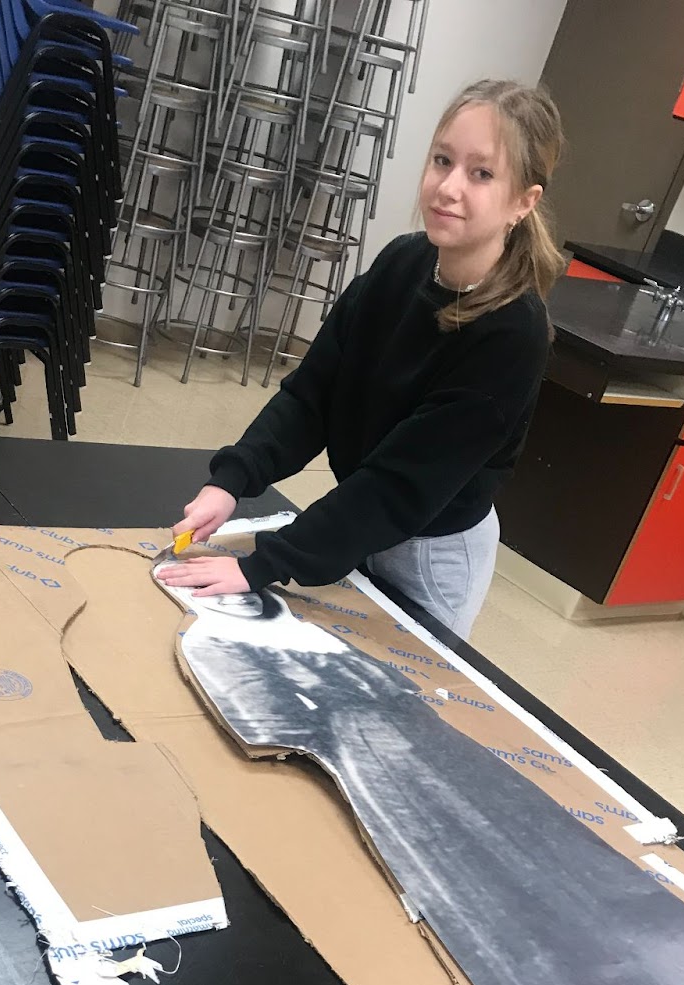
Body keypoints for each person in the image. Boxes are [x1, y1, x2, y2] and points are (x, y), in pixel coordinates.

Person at [160, 79, 566, 638]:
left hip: (429, 555)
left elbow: (399, 485)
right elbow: (314, 394)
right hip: (357, 521)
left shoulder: (512, 334)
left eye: (481, 173)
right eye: (442, 160)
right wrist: (234, 479)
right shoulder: (402, 261)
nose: (448, 187)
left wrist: (264, 564)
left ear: (524, 201)